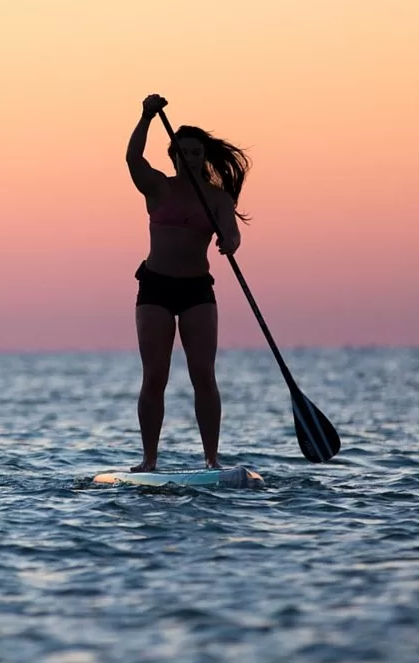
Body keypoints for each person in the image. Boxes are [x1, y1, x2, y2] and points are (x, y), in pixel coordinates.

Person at [125, 93, 251, 472]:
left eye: (196, 152)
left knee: (203, 375)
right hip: (156, 288)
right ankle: (149, 461)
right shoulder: (158, 188)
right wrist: (146, 116)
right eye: (182, 152)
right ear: (174, 156)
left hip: (197, 290)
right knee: (155, 376)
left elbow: (231, 233)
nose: (190, 158)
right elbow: (132, 159)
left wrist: (229, 242)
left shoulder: (217, 198)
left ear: (203, 157)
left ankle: (211, 460)